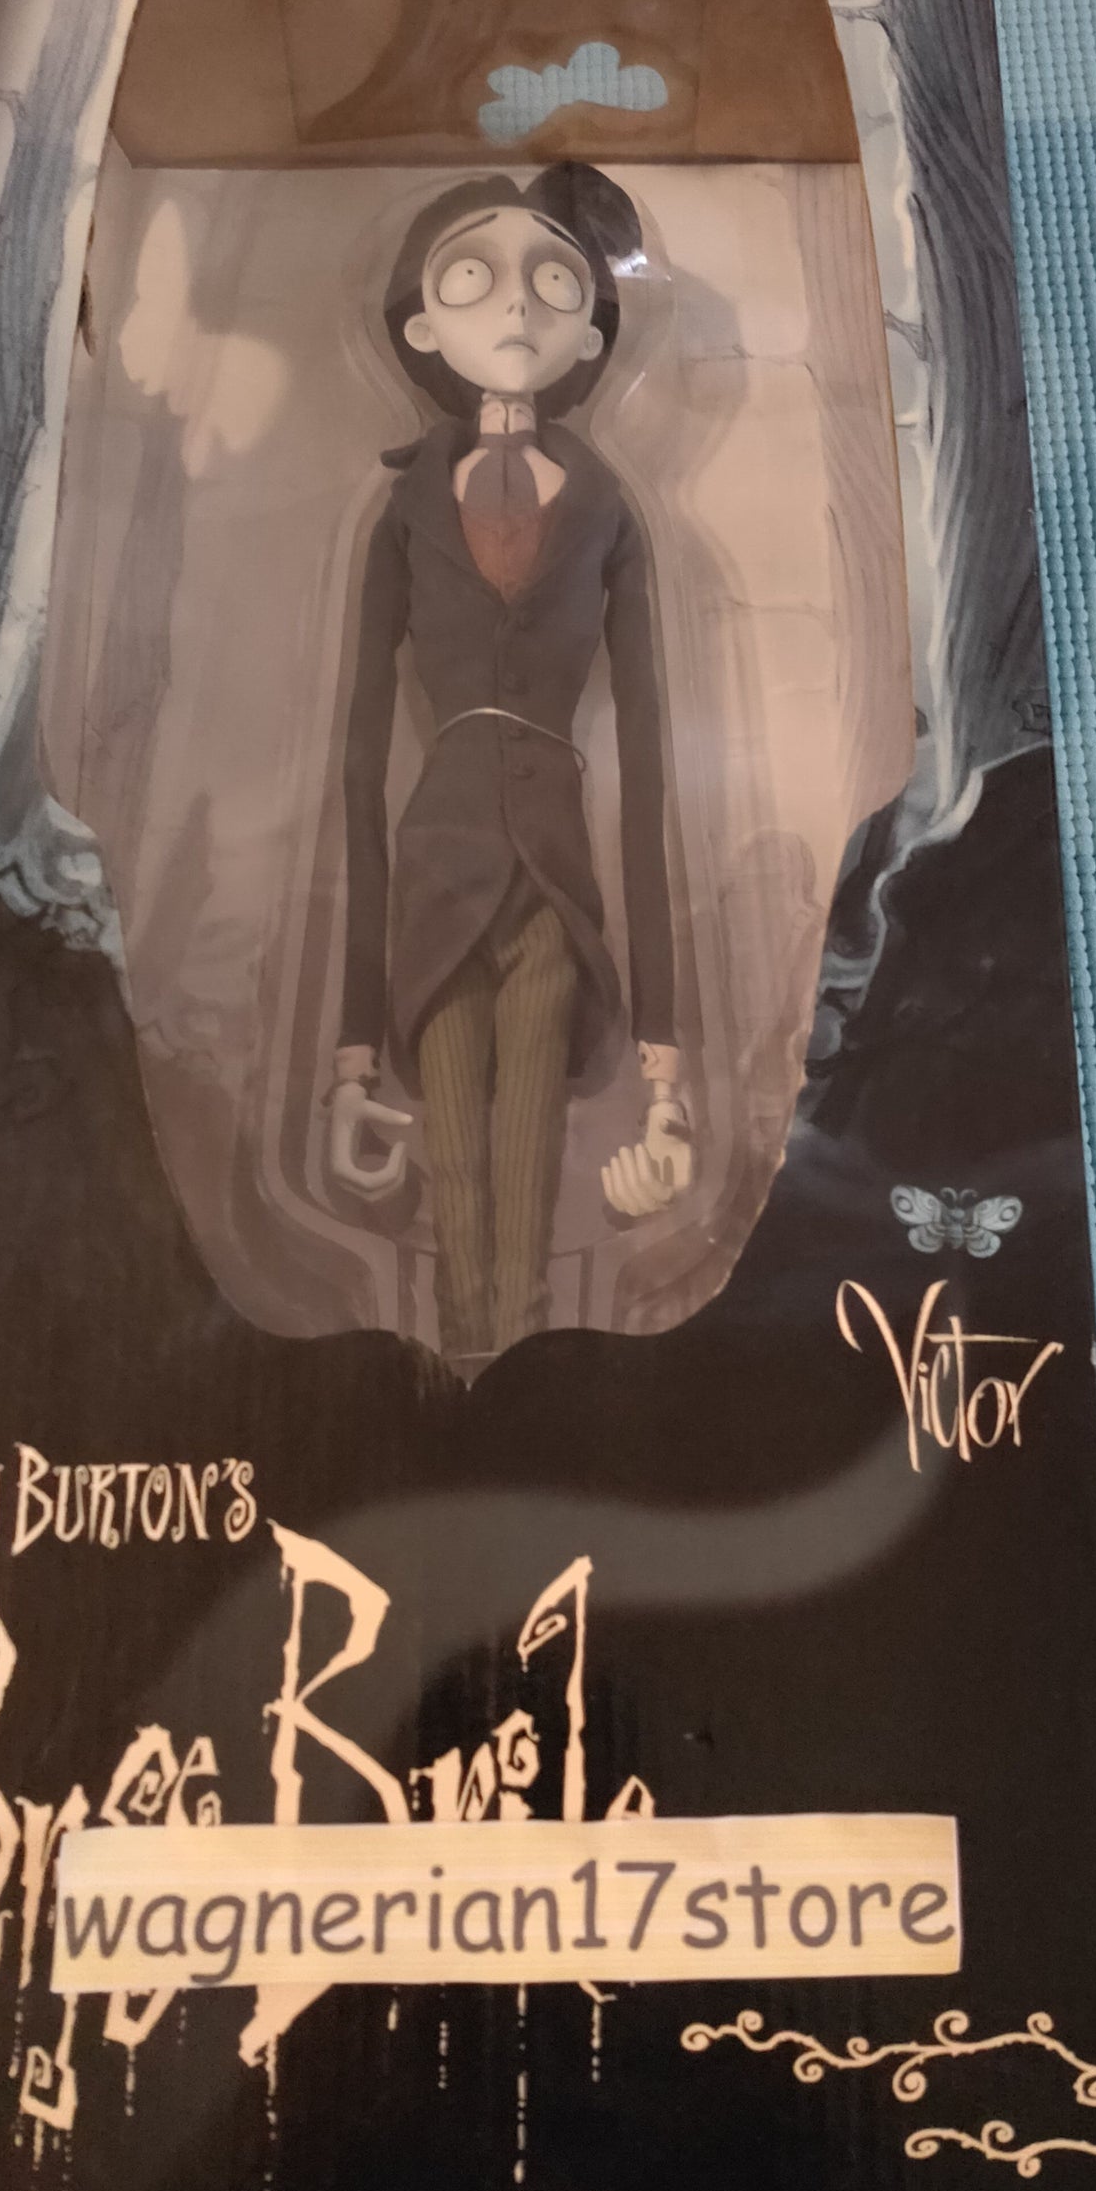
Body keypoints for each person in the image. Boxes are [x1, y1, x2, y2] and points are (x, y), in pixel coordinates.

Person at [327, 163, 692, 1361]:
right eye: (474, 280)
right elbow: (355, 760)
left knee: (526, 1138)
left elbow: (649, 762)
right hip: (435, 862)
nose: (518, 307)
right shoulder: (403, 510)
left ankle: (517, 1363)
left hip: (551, 869)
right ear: (421, 326)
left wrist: (664, 1066)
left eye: (552, 283)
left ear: (590, 330)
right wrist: (348, 1055)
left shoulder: (605, 509)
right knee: (456, 1152)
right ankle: (456, 1361)